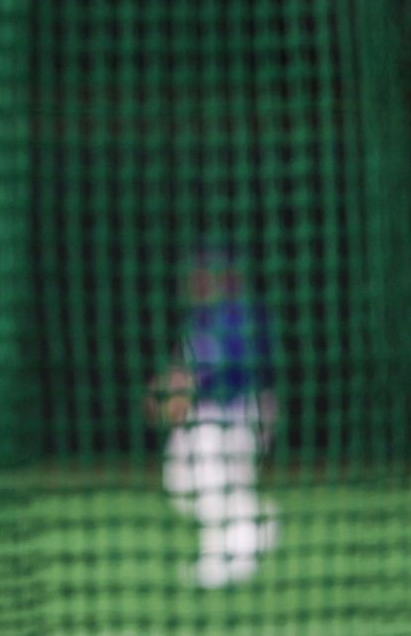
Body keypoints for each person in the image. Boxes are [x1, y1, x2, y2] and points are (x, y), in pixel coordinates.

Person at [145, 244, 280, 589]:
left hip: (239, 411)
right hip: (208, 414)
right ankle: (251, 525)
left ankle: (233, 553)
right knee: (181, 482)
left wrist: (181, 387)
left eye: (205, 275)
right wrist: (169, 388)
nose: (197, 282)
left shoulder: (241, 313)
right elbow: (183, 369)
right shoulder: (200, 318)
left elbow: (227, 366)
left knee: (214, 481)